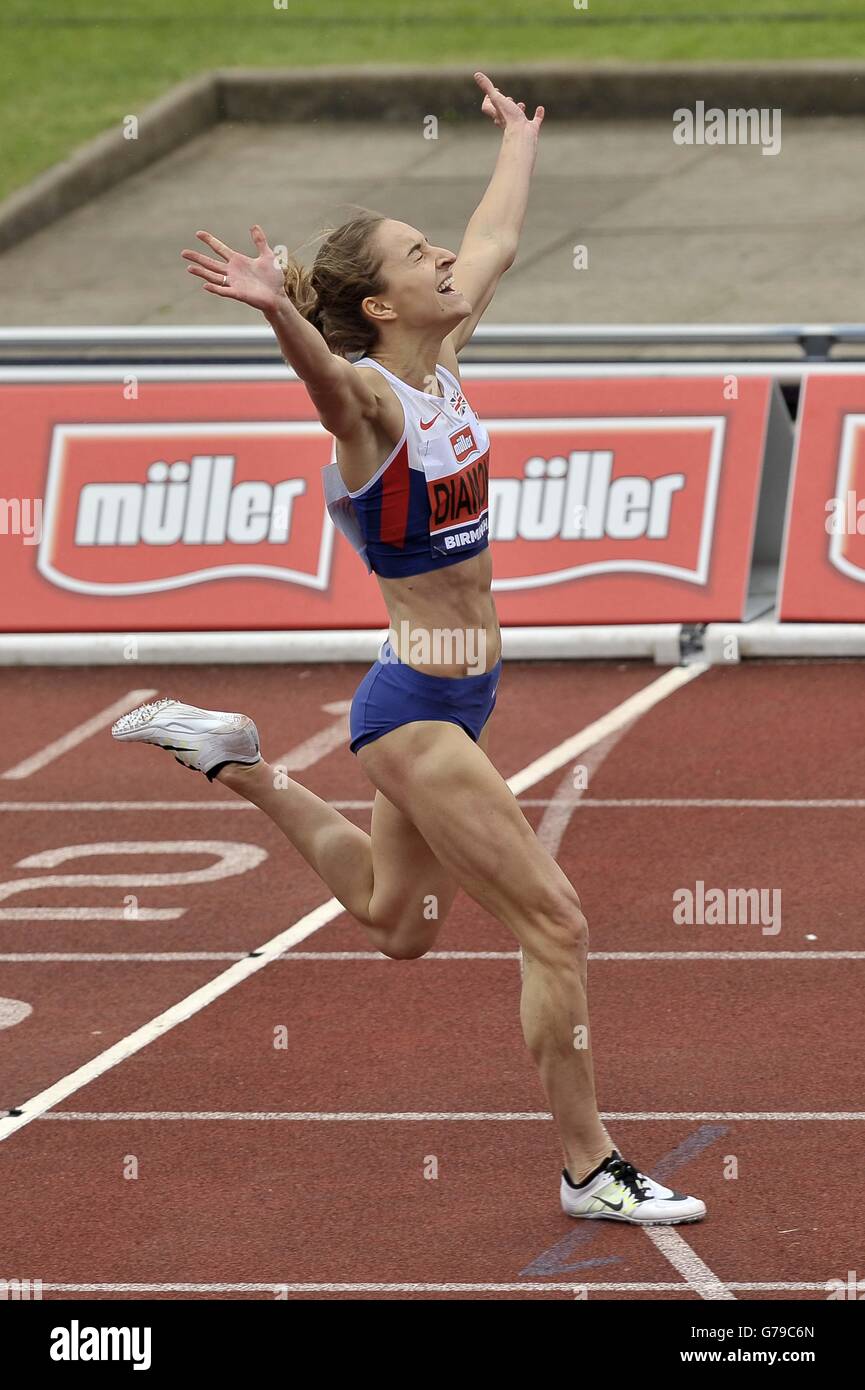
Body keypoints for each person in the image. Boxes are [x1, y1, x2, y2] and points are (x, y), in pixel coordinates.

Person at [113, 73, 706, 1225]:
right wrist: (277, 310)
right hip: (417, 708)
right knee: (556, 923)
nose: (444, 261)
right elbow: (325, 386)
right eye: (417, 255)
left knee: (400, 924)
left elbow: (492, 239)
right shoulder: (376, 407)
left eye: (435, 250)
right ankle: (590, 1165)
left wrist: (519, 142)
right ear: (379, 306)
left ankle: (235, 760)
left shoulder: (442, 358)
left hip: (462, 694)